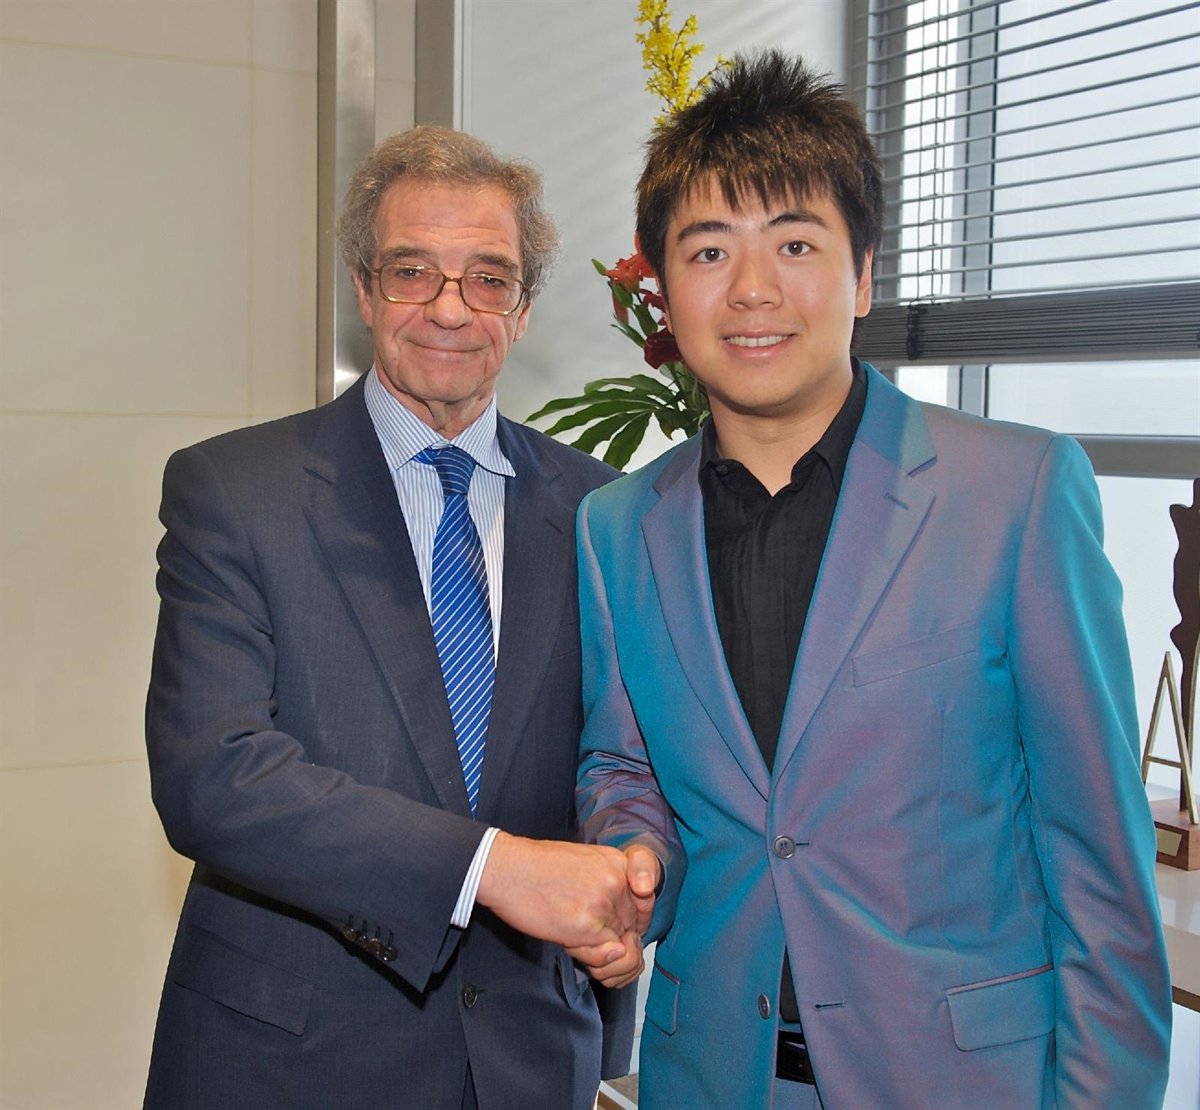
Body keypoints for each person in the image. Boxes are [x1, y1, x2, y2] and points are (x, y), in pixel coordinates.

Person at [571, 52, 1173, 1109]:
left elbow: (1097, 860)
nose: (752, 290)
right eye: (709, 251)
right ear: (662, 290)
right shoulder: (617, 529)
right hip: (709, 1077)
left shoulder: (1016, 493)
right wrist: (631, 852)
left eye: (795, 243)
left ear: (861, 275)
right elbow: (624, 764)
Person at [143, 126, 647, 1110]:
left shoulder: (602, 510)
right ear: (365, 291)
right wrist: (491, 868)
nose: (450, 308)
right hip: (293, 1060)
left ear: (524, 309)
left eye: (488, 278)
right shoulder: (235, 492)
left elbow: (620, 758)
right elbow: (214, 774)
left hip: (530, 1058)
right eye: (413, 271)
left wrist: (631, 883)